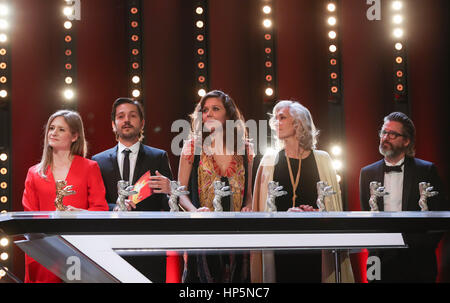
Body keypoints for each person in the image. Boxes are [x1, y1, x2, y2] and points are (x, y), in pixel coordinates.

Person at [251, 100, 354, 283]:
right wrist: (285, 216)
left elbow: (334, 207)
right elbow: (260, 212)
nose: (276, 122)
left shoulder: (323, 159)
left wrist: (317, 213)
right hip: (279, 246)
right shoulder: (269, 160)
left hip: (315, 245)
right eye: (275, 118)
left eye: (282, 117)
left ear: (298, 123)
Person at [92, 97, 175, 282]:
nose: (126, 120)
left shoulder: (158, 157)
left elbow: (168, 205)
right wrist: (115, 207)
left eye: (132, 116)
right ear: (114, 124)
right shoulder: (98, 161)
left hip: (149, 246)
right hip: (110, 246)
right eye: (121, 116)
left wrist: (170, 190)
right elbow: (95, 204)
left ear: (142, 122)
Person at [359, 111, 448, 282]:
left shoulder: (426, 170)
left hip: (417, 258)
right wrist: (373, 248)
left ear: (406, 141)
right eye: (384, 132)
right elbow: (366, 215)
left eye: (392, 134)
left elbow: (440, 214)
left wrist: (423, 247)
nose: (385, 137)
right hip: (378, 258)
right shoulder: (367, 173)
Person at [22, 110, 109, 283]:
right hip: (45, 252)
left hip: (81, 250)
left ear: (75, 136)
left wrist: (80, 214)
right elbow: (29, 215)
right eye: (51, 128)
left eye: (61, 129)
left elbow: (101, 209)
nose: (53, 133)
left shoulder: (90, 167)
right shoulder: (34, 173)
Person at [178, 90, 253, 282]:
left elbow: (249, 194)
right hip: (203, 233)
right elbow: (180, 193)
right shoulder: (192, 147)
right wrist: (195, 211)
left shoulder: (245, 149)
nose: (208, 114)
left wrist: (249, 206)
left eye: (215, 109)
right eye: (205, 110)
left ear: (228, 115)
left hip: (237, 234)